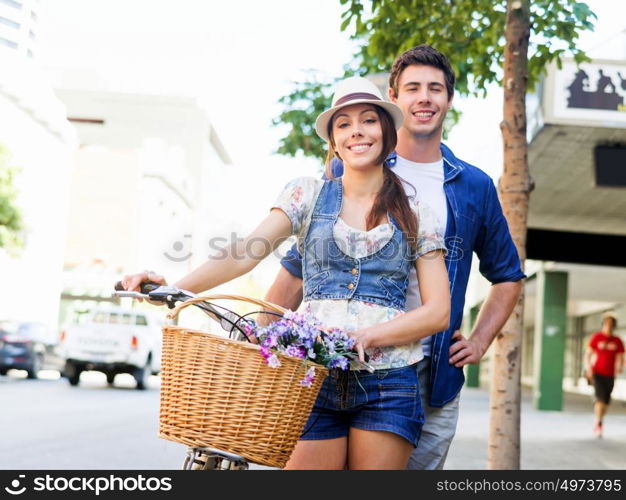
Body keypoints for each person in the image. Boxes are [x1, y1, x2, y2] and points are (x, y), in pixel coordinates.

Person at [121, 76, 451, 470]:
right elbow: (246, 252)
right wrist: (174, 286)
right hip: (309, 377)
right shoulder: (305, 194)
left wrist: (368, 335)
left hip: (388, 382)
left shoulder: (418, 214)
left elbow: (438, 312)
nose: (356, 132)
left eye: (368, 120)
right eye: (343, 124)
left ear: (386, 131)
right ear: (333, 139)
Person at [264, 45, 525, 470]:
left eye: (435, 89)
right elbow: (300, 267)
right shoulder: (348, 167)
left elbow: (508, 275)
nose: (425, 98)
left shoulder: (473, 185)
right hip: (338, 360)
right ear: (394, 99)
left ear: (449, 99)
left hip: (429, 368)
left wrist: (479, 341)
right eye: (413, 88)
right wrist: (266, 334)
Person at [585, 313, 624, 438]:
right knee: (600, 399)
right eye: (606, 323)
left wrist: (619, 367)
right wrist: (588, 369)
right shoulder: (596, 337)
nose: (609, 326)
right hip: (597, 373)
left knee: (606, 402)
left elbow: (620, 357)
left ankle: (600, 419)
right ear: (603, 324)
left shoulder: (617, 341)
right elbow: (588, 355)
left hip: (610, 374)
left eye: (611, 324)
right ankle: (598, 422)